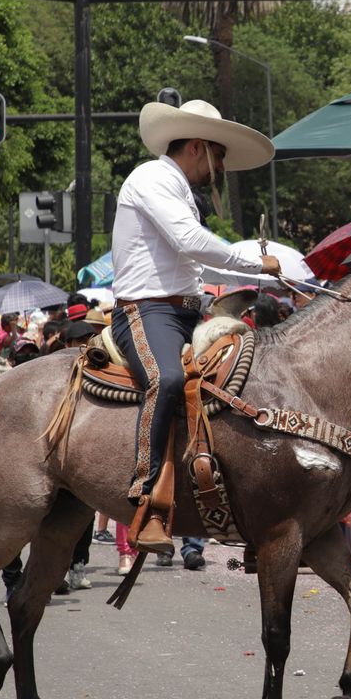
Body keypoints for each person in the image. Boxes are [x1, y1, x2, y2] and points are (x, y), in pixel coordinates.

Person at [111, 98, 281, 552]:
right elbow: (191, 242)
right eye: (219, 155)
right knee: (167, 380)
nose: (221, 166)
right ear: (198, 147)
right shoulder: (151, 178)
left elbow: (200, 258)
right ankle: (143, 499)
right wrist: (255, 262)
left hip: (186, 312)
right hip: (146, 312)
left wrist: (260, 272)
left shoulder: (182, 191)